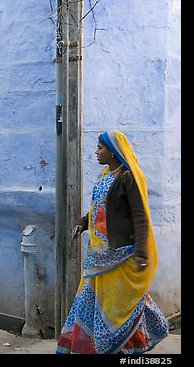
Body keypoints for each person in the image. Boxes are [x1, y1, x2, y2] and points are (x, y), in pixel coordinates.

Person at [56, 130, 169, 354]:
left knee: (121, 307)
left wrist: (141, 253)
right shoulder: (105, 176)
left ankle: (123, 348)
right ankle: (95, 347)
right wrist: (83, 222)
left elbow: (140, 216)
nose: (96, 152)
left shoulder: (128, 178)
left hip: (121, 256)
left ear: (114, 152)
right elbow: (100, 209)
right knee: (94, 303)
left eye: (100, 148)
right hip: (99, 257)